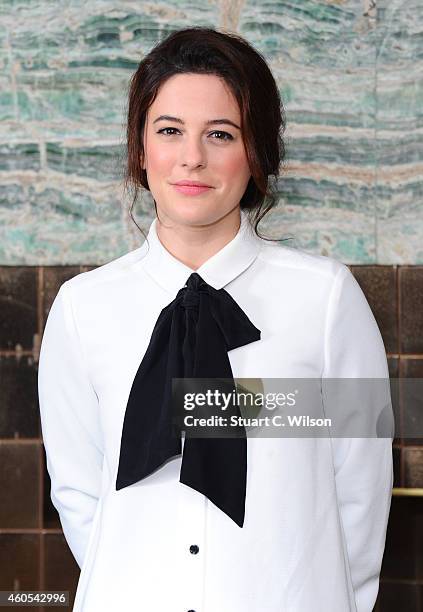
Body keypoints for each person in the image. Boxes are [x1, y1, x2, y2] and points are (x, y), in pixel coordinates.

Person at [37, 26, 394, 612]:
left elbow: (361, 490)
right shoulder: (83, 308)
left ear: (255, 153)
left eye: (220, 134)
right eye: (170, 131)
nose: (192, 157)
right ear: (140, 148)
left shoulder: (326, 299)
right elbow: (79, 493)